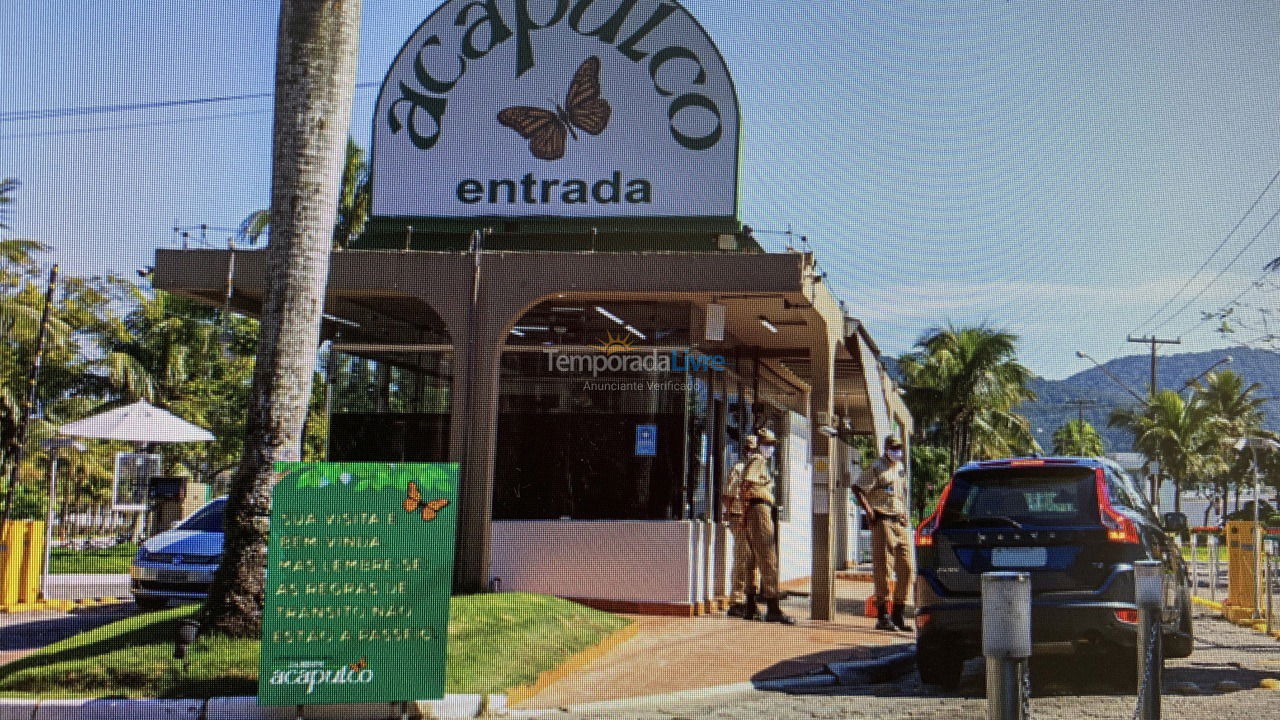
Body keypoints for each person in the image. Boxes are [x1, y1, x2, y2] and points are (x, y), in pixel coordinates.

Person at [853, 435, 914, 632]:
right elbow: (858, 488)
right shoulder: (877, 467)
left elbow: (900, 494)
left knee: (907, 567)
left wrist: (904, 513)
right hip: (883, 520)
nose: (897, 451)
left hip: (900, 521)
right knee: (883, 568)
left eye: (899, 448)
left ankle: (898, 612)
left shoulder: (900, 468)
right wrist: (870, 513)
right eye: (893, 448)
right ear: (886, 448)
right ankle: (883, 615)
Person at [739, 427, 796, 624]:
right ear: (761, 444)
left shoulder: (756, 460)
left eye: (772, 445)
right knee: (768, 557)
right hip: (759, 509)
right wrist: (747, 507)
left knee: (752, 559)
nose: (770, 448)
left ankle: (750, 605)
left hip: (756, 509)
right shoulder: (758, 460)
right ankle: (773, 607)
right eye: (768, 444)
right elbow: (746, 484)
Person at [722, 434, 760, 619]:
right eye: (751, 449)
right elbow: (727, 496)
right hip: (740, 517)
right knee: (742, 559)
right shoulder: (739, 469)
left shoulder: (759, 469)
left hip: (755, 519)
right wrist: (735, 513)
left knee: (753, 561)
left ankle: (749, 598)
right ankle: (737, 600)